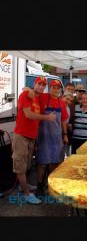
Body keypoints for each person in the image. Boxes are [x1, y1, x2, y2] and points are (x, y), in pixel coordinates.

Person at [12, 76, 56, 204]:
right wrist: (47, 118)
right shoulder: (26, 94)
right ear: (34, 84)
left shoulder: (37, 97)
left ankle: (22, 186)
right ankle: (26, 194)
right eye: (39, 84)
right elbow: (28, 115)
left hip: (32, 136)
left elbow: (55, 95)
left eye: (43, 85)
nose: (41, 87)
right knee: (20, 164)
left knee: (26, 164)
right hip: (21, 135)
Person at [35, 79, 69, 195]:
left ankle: (51, 185)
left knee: (54, 163)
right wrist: (27, 90)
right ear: (50, 88)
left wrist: (65, 135)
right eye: (53, 87)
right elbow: (33, 94)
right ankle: (39, 186)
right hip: (43, 136)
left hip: (56, 138)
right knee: (42, 163)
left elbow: (63, 120)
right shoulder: (43, 97)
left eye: (58, 87)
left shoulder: (61, 103)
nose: (56, 89)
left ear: (60, 89)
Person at [62, 91, 74, 157]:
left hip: (63, 134)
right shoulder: (58, 105)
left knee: (61, 156)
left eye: (70, 100)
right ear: (63, 97)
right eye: (67, 99)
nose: (68, 101)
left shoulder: (68, 108)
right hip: (56, 135)